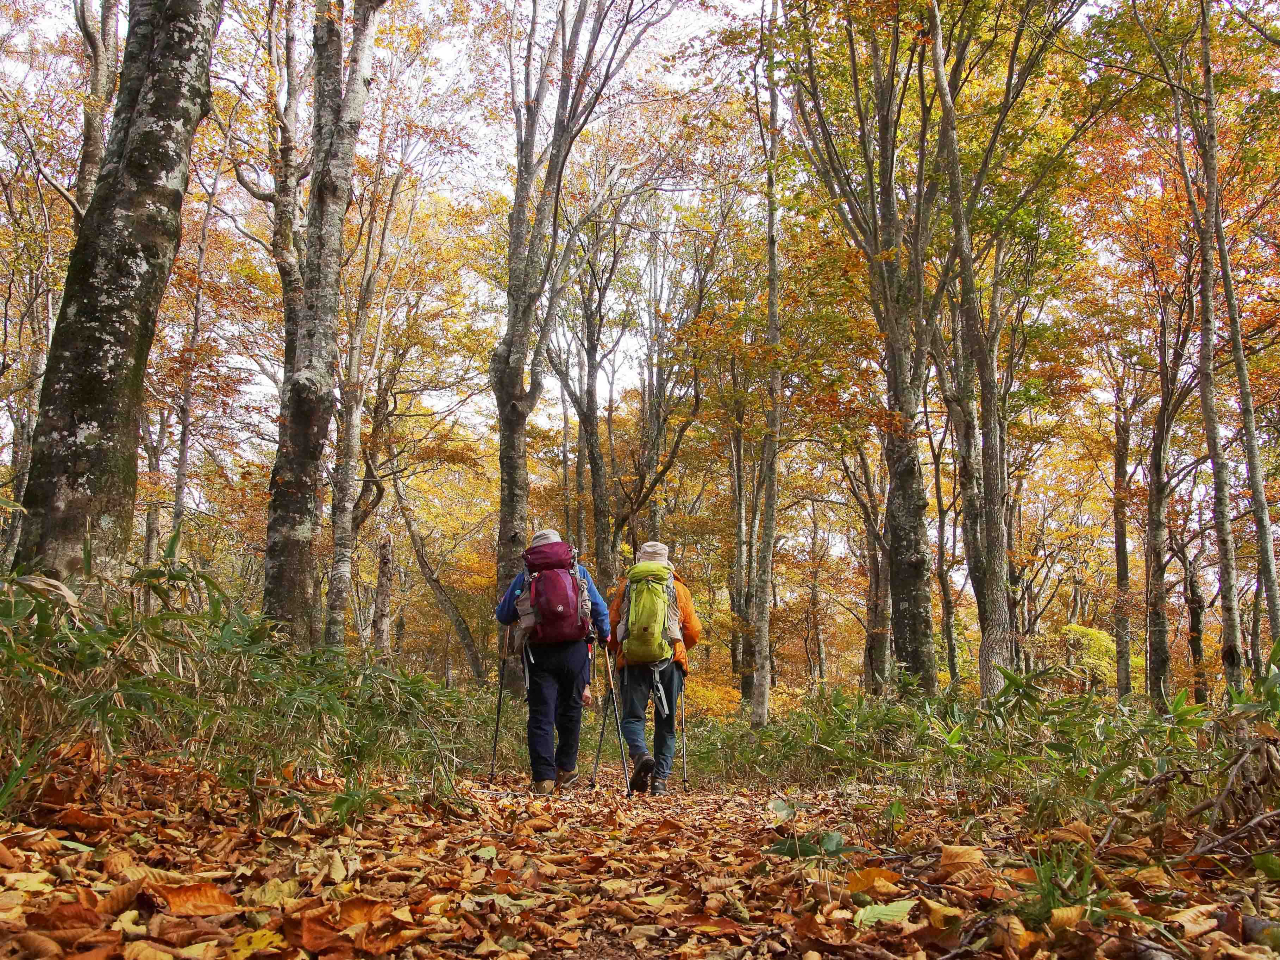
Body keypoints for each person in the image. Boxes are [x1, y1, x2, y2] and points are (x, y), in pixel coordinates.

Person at [496, 529, 609, 795]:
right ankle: (566, 769)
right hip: (575, 649)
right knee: (571, 710)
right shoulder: (578, 571)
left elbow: (503, 615)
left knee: (541, 714)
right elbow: (599, 608)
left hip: (539, 652)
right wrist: (605, 636)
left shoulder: (526, 574)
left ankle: (543, 779)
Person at [608, 541, 701, 796]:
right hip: (669, 662)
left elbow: (613, 623)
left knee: (632, 717)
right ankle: (659, 782)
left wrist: (617, 649)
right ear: (665, 560)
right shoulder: (678, 588)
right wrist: (679, 648)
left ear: (641, 559)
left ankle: (640, 754)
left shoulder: (627, 586)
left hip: (632, 661)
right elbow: (693, 631)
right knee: (666, 723)